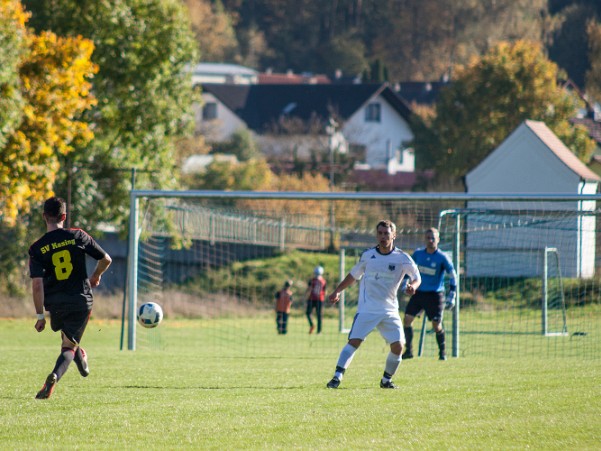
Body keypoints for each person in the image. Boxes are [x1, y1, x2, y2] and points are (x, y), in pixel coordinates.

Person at [29, 196, 112, 399]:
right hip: (80, 300)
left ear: (44, 217)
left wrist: (40, 316)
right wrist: (96, 276)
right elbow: (106, 259)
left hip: (55, 302)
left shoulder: (37, 248)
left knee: (68, 339)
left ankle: (80, 357)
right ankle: (55, 376)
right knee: (68, 347)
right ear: (64, 216)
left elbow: (37, 284)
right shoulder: (78, 236)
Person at [326, 219, 421, 389]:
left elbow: (416, 276)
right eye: (380, 233)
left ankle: (386, 380)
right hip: (367, 309)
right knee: (354, 341)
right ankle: (336, 377)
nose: (383, 236)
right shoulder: (368, 255)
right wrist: (337, 290)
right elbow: (353, 275)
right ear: (376, 235)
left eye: (386, 233)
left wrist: (412, 286)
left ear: (394, 235)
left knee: (399, 346)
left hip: (389, 310)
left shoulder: (402, 258)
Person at [402, 227, 457, 361]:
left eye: (433, 238)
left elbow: (453, 275)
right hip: (419, 293)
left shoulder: (442, 257)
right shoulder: (418, 254)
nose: (430, 240)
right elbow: (407, 269)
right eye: (428, 238)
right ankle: (409, 351)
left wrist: (452, 294)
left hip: (435, 295)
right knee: (407, 320)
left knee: (436, 324)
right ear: (425, 239)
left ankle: (442, 353)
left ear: (438, 240)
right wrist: (405, 283)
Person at [304, 265, 327, 334]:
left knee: (308, 313)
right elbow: (325, 291)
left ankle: (312, 324)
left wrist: (305, 296)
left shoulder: (312, 280)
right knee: (319, 315)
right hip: (320, 299)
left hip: (312, 299)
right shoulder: (323, 281)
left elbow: (309, 289)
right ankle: (319, 331)